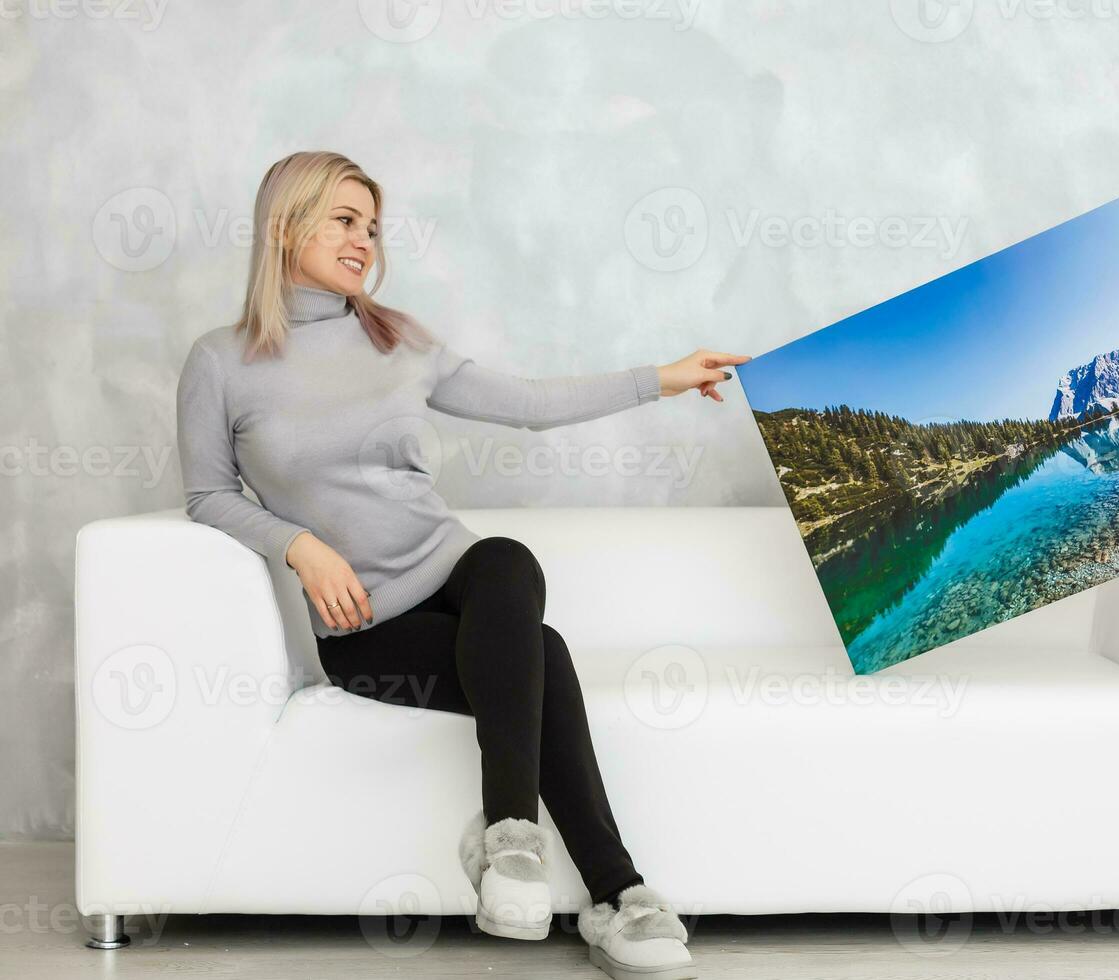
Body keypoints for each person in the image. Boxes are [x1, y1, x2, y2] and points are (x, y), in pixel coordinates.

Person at [175, 150, 749, 980]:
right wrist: (298, 546)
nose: (364, 241)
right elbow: (205, 496)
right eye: (344, 221)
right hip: (364, 626)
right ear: (283, 224)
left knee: (506, 559)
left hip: (456, 577)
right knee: (542, 654)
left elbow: (529, 404)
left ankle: (512, 842)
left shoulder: (396, 337)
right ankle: (619, 896)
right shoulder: (219, 362)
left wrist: (663, 378)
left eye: (371, 227)